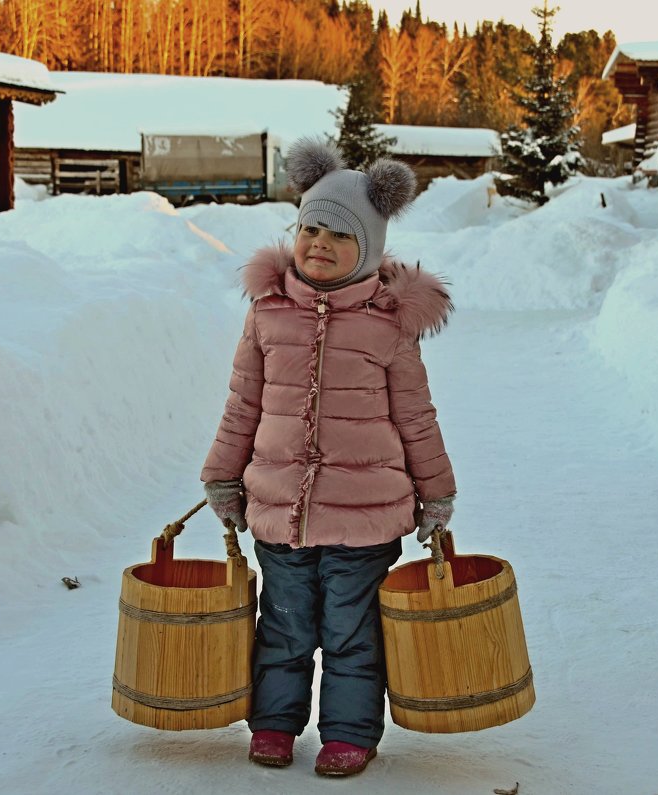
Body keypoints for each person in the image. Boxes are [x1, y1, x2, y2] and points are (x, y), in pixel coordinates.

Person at [201, 138, 457, 777]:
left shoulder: (388, 325)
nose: (318, 243)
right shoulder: (267, 315)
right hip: (281, 508)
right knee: (283, 628)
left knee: (351, 632)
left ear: (367, 247)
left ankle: (348, 733)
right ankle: (276, 725)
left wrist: (437, 492)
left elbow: (415, 417)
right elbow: (243, 406)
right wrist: (222, 476)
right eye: (309, 227)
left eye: (338, 235)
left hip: (366, 518)